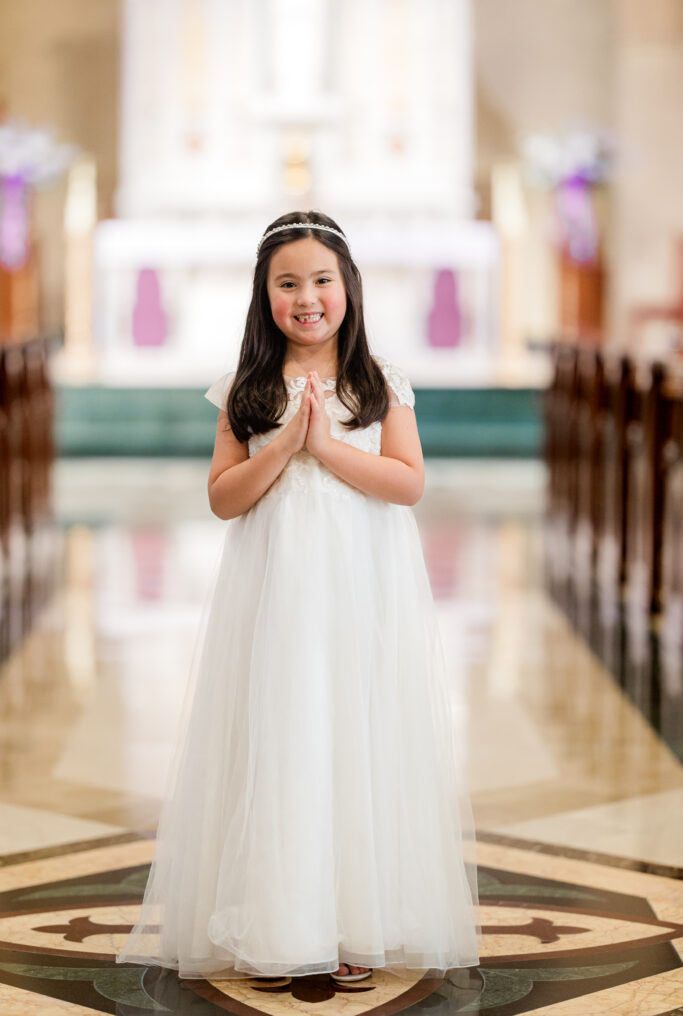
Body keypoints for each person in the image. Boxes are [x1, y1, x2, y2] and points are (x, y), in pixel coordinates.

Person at [115, 209, 481, 985]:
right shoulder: (244, 387)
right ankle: (275, 923)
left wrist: (326, 447)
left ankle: (359, 922)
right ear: (264, 294)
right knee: (282, 742)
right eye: (287, 283)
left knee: (353, 738)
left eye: (321, 279)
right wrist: (284, 444)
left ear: (348, 286)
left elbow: (408, 483)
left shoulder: (377, 382)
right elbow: (222, 498)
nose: (306, 297)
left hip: (360, 598)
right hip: (275, 601)